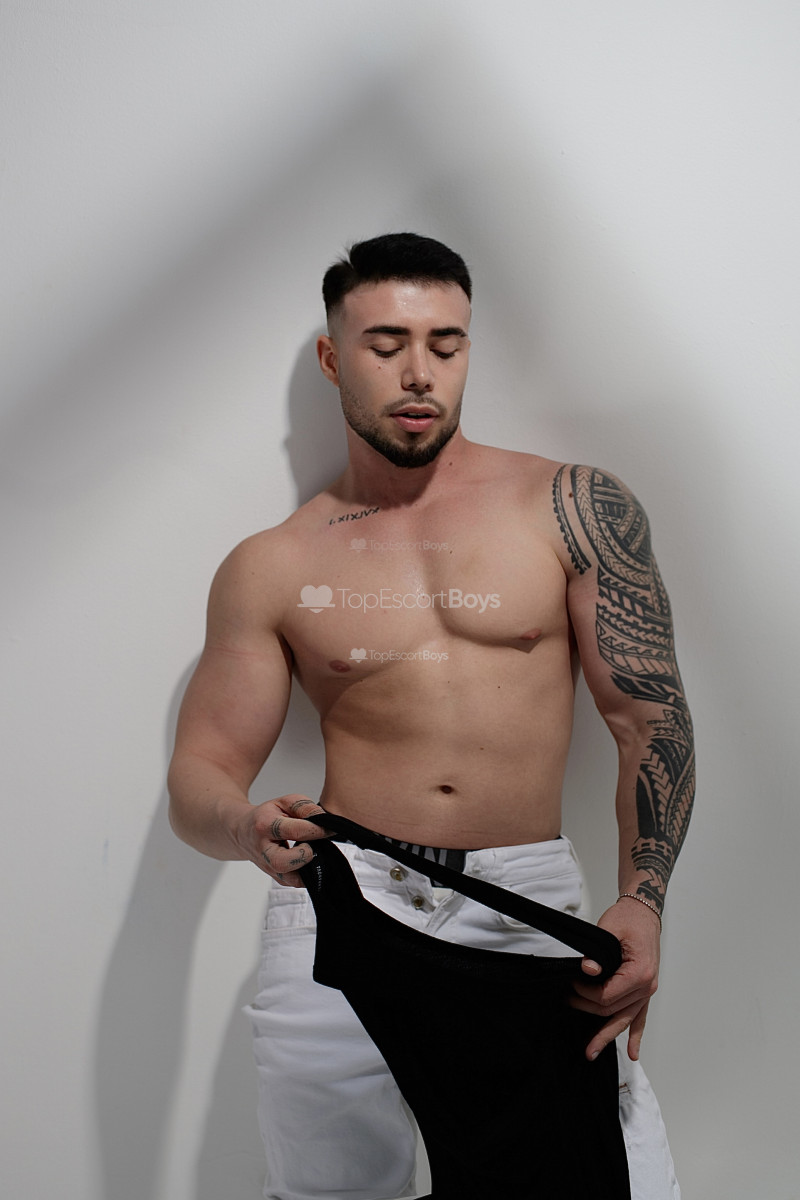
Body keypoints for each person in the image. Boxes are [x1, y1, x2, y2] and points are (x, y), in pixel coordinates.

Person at [168, 232, 694, 1200]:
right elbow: (199, 775)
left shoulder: (570, 508)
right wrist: (244, 828)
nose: (419, 373)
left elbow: (646, 720)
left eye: (445, 345)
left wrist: (643, 900)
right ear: (333, 358)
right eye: (385, 344)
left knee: (602, 1179)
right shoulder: (273, 563)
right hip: (343, 896)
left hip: (523, 896)